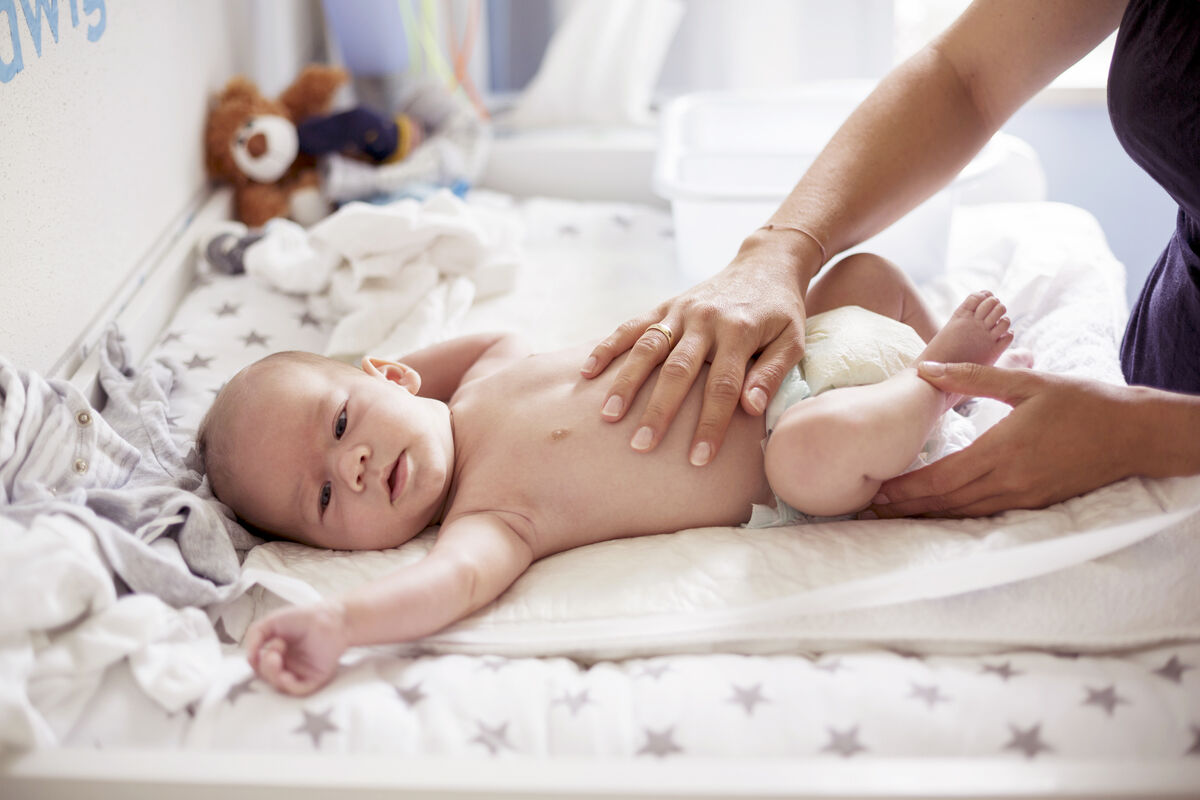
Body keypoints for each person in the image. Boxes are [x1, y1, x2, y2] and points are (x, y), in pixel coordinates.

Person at [199, 254, 1013, 695]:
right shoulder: (491, 517)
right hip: (803, 435)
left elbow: (456, 350)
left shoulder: (491, 368)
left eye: (341, 422)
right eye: (325, 496)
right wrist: (341, 627)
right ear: (332, 548)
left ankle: (930, 345)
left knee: (858, 274)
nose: (355, 462)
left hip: (793, 350)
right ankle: (940, 380)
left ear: (392, 376)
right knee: (809, 463)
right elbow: (444, 588)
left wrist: (389, 380)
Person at [580, 0, 1200, 518]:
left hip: (1149, 436)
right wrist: (777, 251)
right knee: (864, 276)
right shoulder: (486, 402)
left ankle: (934, 380)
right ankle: (944, 377)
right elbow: (965, 76)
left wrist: (1141, 432)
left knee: (805, 455)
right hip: (1168, 364)